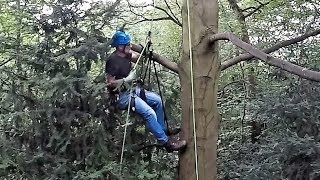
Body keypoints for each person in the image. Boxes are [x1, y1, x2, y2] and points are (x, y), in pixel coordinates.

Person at [105, 31, 187, 152]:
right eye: (127, 44)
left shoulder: (127, 54)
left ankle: (163, 129)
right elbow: (109, 83)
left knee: (157, 101)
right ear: (120, 47)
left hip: (133, 90)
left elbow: (140, 59)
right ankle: (167, 143)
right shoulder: (112, 60)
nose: (130, 46)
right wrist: (125, 80)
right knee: (149, 113)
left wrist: (145, 51)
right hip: (122, 96)